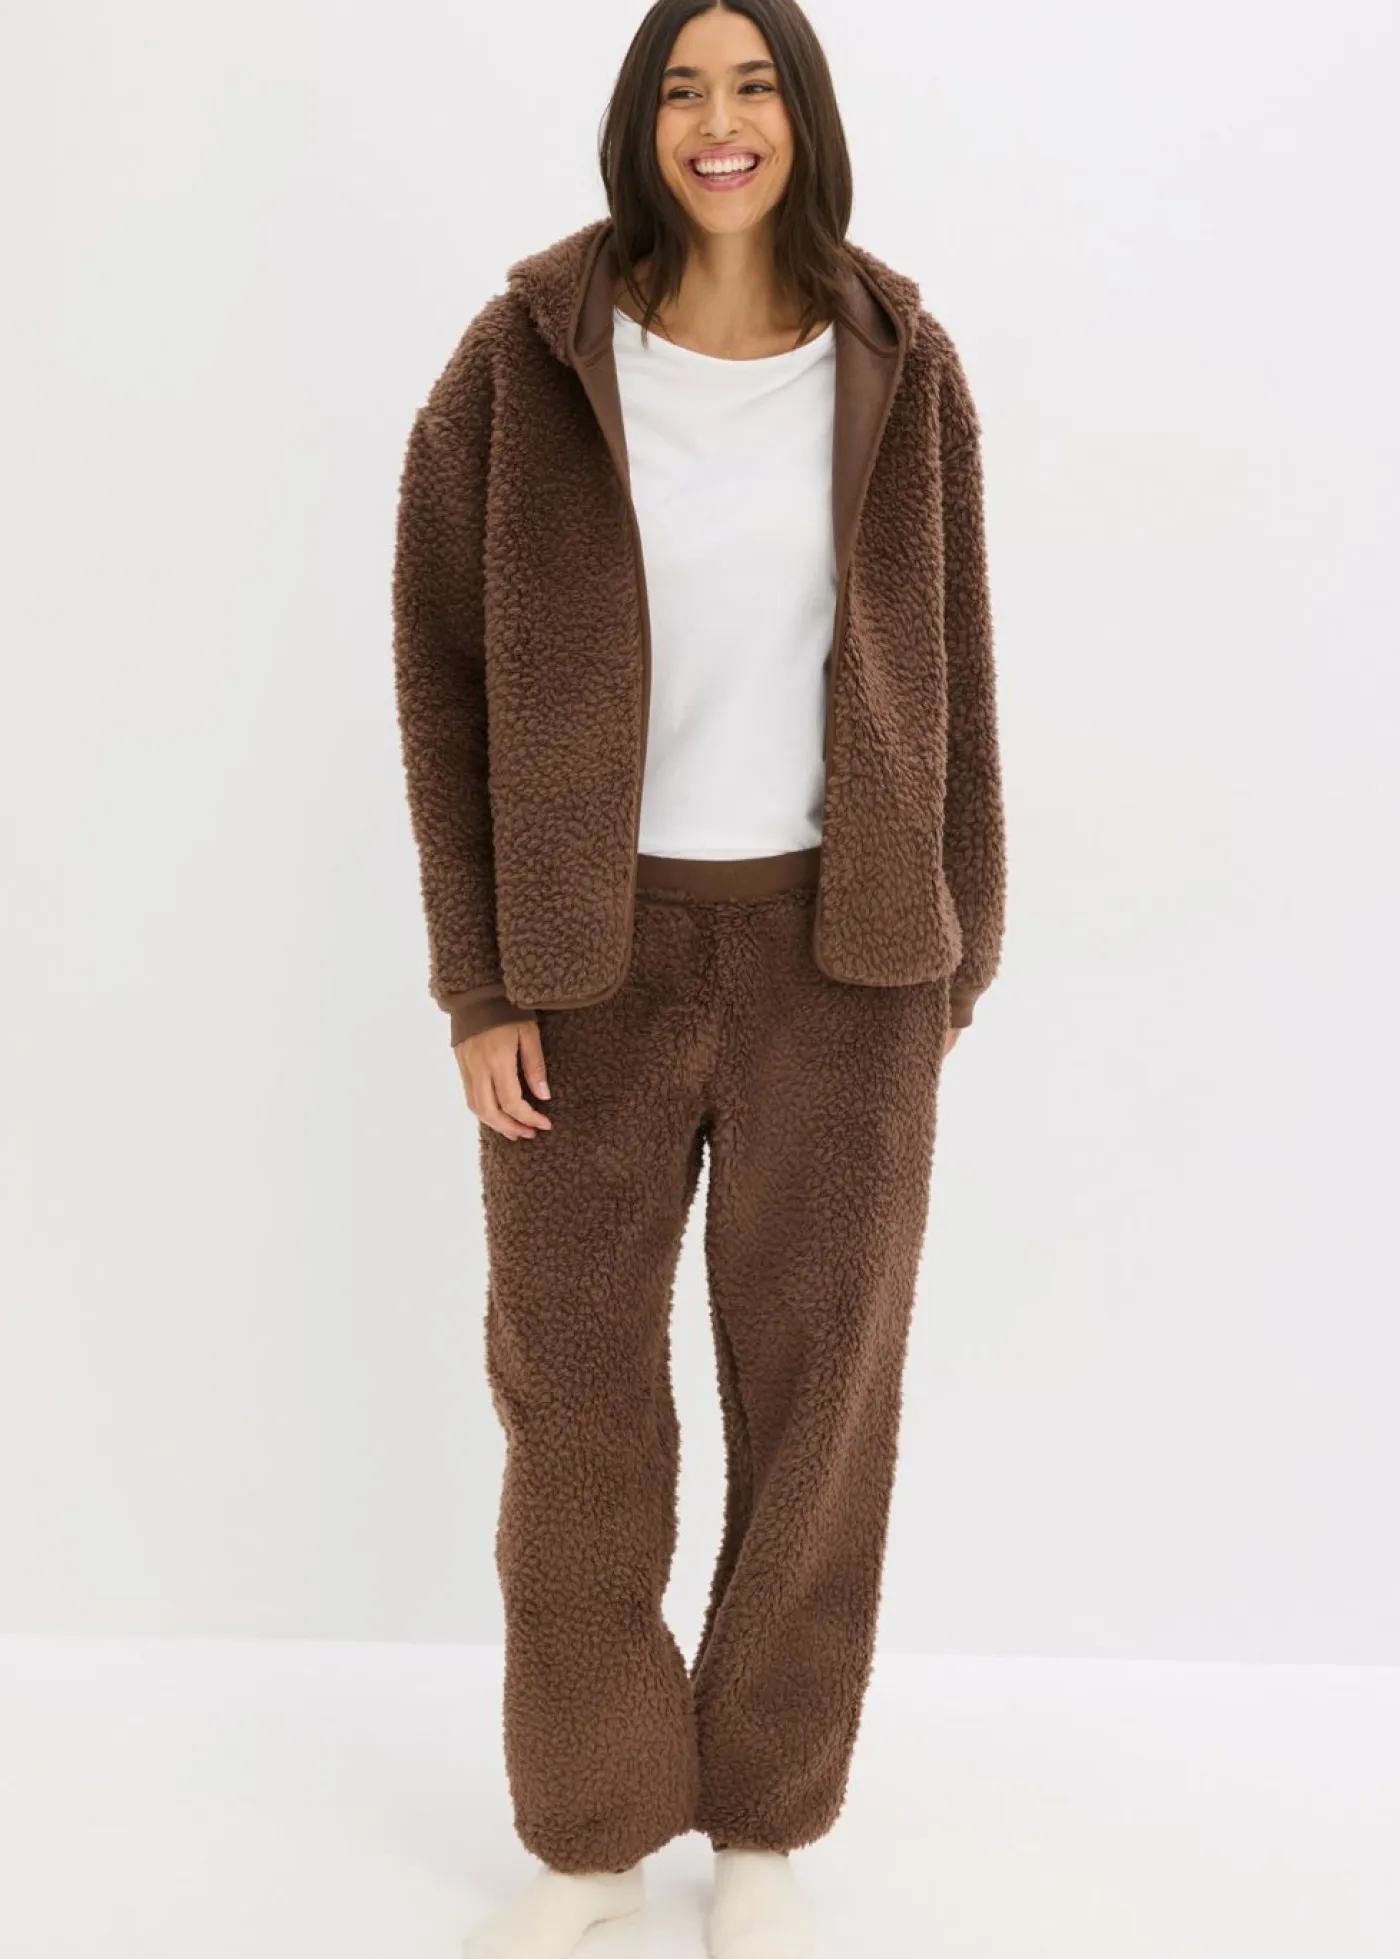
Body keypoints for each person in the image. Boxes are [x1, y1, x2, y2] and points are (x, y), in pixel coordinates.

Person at [390, 2, 1007, 1953]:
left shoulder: (899, 359)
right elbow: (441, 680)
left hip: (847, 962)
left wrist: (955, 942)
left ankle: (763, 1817)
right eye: (680, 87)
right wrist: (480, 979)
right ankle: (591, 1827)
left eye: (751, 86)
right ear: (637, 121)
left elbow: (956, 664)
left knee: (822, 1403)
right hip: (589, 973)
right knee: (577, 1406)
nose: (716, 122)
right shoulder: (524, 360)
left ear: (800, 115)